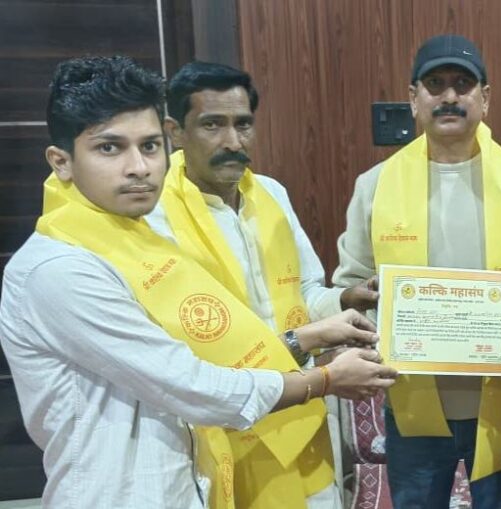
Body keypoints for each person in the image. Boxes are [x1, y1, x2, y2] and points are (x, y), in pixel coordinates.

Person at [0, 56, 397, 508]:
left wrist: (315, 330)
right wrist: (324, 380)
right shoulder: (63, 268)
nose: (139, 167)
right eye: (110, 148)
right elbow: (191, 382)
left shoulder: (139, 237)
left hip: (198, 471)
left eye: (149, 147)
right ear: (62, 162)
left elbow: (204, 345)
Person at [331, 34, 501, 508]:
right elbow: (348, 285)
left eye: (463, 84)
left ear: (486, 97)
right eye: (435, 84)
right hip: (412, 405)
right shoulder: (375, 186)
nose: (450, 96)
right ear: (413, 98)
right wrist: (367, 318)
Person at [149, 60, 353, 508]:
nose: (232, 142)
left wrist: (349, 300)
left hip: (301, 406)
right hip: (223, 420)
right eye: (212, 125)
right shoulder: (154, 216)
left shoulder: (272, 194)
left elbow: (306, 293)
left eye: (242, 124)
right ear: (175, 132)